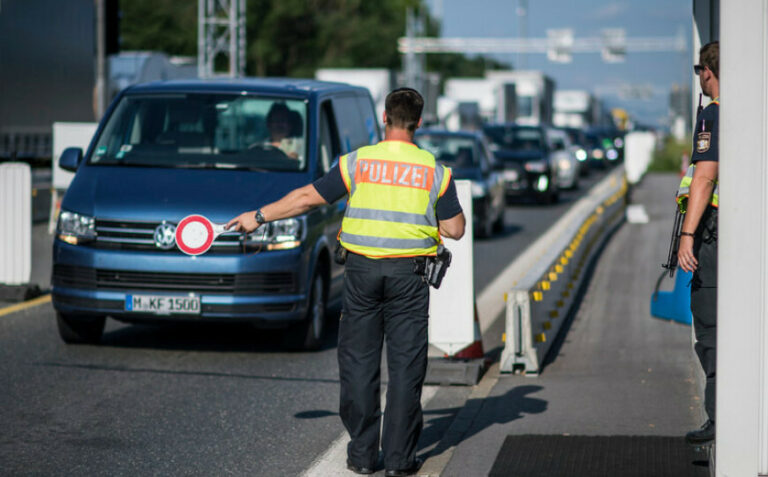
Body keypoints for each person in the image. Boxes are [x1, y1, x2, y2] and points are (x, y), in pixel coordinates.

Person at [227, 88, 466, 476]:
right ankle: (400, 461)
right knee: (406, 367)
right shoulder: (435, 172)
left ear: (384, 119)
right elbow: (455, 229)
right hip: (410, 277)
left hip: (361, 274)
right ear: (419, 123)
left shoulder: (359, 163)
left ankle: (361, 456)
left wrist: (259, 215)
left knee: (358, 362)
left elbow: (307, 197)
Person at [677, 41, 719, 445]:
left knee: (709, 327)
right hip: (733, 234)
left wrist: (687, 235)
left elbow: (704, 177)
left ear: (708, 71)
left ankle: (718, 419)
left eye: (699, 70)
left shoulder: (713, 114)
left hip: (713, 234)